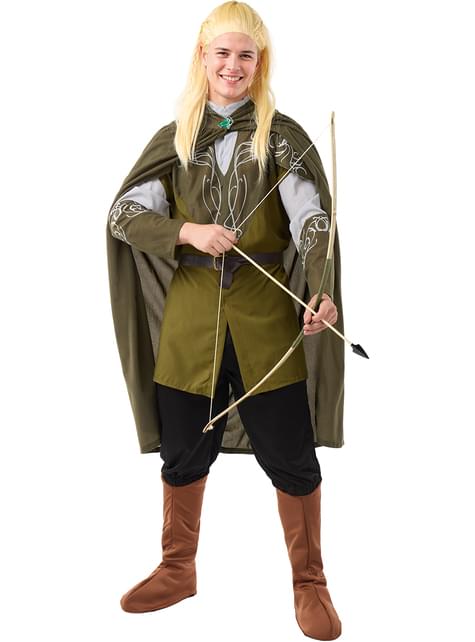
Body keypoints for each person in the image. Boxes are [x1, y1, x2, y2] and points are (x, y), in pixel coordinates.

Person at [106, 2, 345, 639]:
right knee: (183, 452)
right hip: (190, 330)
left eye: (246, 55)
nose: (233, 65)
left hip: (266, 325)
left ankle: (309, 582)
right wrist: (188, 231)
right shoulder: (177, 138)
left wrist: (320, 288)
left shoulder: (282, 137)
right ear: (203, 58)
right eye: (223, 53)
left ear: (259, 63)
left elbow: (313, 222)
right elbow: (124, 216)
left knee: (291, 456)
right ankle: (177, 568)